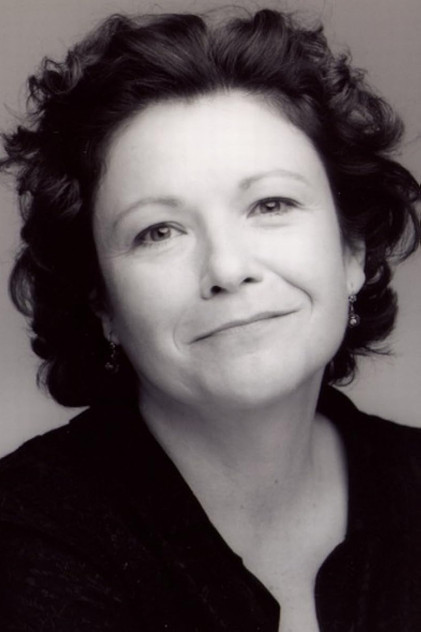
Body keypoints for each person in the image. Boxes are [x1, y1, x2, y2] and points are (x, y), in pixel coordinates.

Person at [0, 8, 420, 632]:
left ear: (352, 252)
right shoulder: (24, 540)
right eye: (158, 231)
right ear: (101, 301)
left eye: (270, 204)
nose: (227, 267)